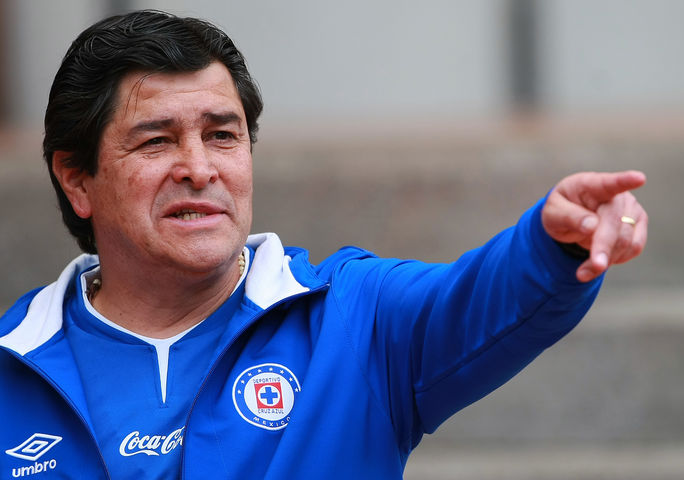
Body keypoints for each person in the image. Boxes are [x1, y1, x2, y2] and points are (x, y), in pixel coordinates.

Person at [0, 10, 647, 480]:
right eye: (157, 141)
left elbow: (473, 299)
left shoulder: (352, 318)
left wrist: (553, 245)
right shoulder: (15, 364)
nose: (199, 168)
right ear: (76, 179)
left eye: (223, 136)